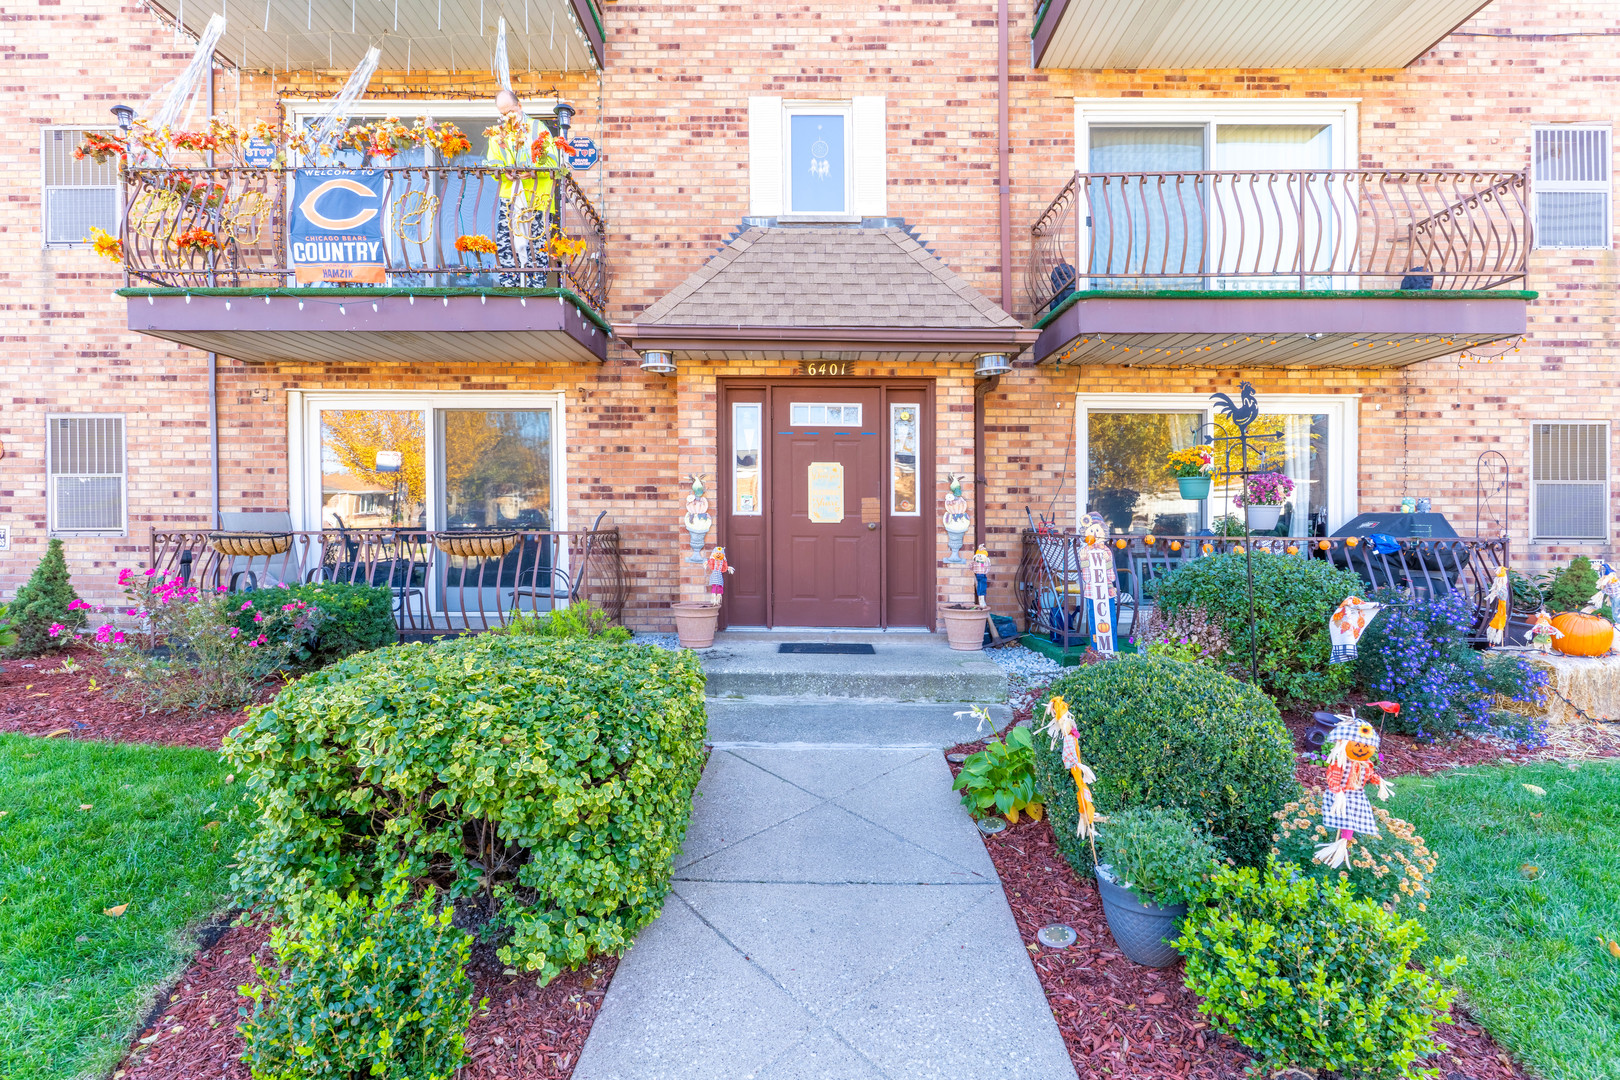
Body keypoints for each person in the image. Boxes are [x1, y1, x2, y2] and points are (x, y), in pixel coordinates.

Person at [486, 90, 562, 287]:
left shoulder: (538, 128)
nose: (507, 117)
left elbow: (553, 162)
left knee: (536, 246)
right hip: (510, 197)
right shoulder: (497, 133)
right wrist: (503, 172)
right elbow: (492, 162)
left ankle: (535, 290)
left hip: (538, 198)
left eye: (510, 111)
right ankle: (509, 288)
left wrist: (534, 171)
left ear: (519, 106)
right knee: (506, 244)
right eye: (502, 114)